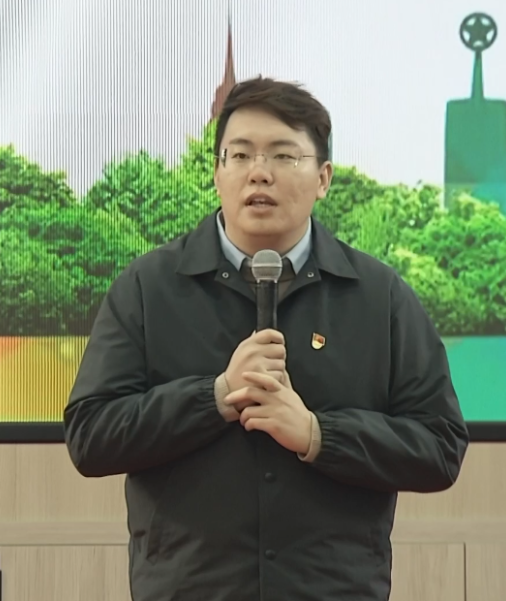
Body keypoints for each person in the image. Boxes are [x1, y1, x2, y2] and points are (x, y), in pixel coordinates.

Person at [63, 76, 469, 601]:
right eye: (240, 155)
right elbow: (91, 437)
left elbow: (440, 446)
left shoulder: (378, 296)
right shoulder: (148, 288)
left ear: (323, 178)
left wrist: (319, 435)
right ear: (217, 172)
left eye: (284, 156)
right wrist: (214, 396)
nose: (260, 172)